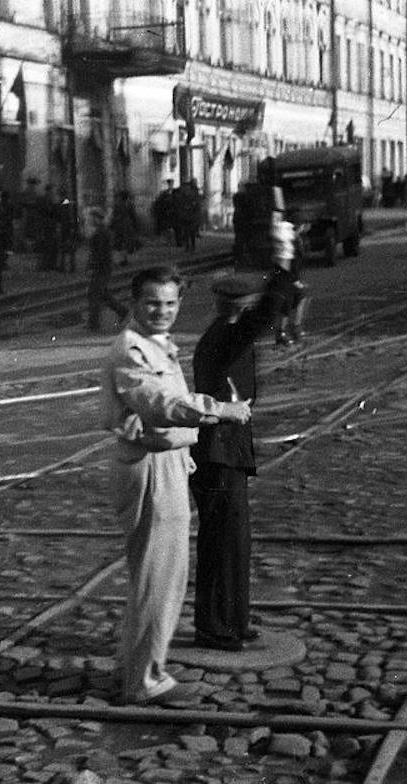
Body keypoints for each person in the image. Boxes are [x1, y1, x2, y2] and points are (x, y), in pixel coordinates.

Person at [101, 267, 251, 705]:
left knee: (158, 575)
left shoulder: (157, 345)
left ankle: (135, 667)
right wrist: (221, 409)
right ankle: (144, 682)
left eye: (169, 303)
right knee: (159, 578)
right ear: (134, 303)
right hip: (148, 466)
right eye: (152, 302)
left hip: (166, 463)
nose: (161, 311)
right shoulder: (132, 349)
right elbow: (161, 403)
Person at [188, 228, 295, 653]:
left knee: (234, 541)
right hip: (218, 450)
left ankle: (232, 621)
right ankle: (216, 627)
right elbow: (265, 316)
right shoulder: (227, 334)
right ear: (241, 306)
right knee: (223, 542)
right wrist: (283, 267)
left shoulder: (222, 331)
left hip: (226, 447)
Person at [85, 208, 128, 331]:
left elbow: (99, 253)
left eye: (92, 217)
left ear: (98, 218)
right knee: (102, 294)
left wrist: (93, 266)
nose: (90, 220)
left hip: (101, 267)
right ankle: (122, 311)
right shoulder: (101, 232)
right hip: (103, 267)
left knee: (94, 294)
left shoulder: (102, 233)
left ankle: (93, 323)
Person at [110, 190, 140, 267]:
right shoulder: (129, 205)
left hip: (121, 226)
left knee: (119, 244)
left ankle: (122, 260)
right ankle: (124, 260)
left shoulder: (117, 205)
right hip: (126, 226)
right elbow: (134, 217)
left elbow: (114, 217)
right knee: (125, 244)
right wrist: (136, 227)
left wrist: (112, 225)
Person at [152, 179, 176, 246]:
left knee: (171, 228)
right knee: (167, 228)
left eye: (171, 184)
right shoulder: (164, 193)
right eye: (169, 184)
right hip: (166, 213)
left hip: (172, 213)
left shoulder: (175, 192)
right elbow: (161, 203)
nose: (170, 185)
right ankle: (168, 241)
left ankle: (171, 241)